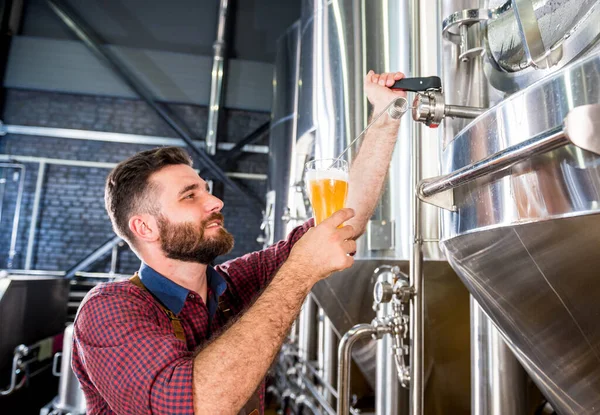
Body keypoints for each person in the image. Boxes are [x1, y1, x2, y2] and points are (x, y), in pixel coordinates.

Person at [71, 71, 407, 415]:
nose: (216, 203)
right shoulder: (108, 311)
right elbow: (199, 406)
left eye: (207, 190)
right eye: (190, 196)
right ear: (145, 227)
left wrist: (386, 113)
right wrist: (300, 271)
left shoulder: (231, 284)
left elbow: (342, 222)